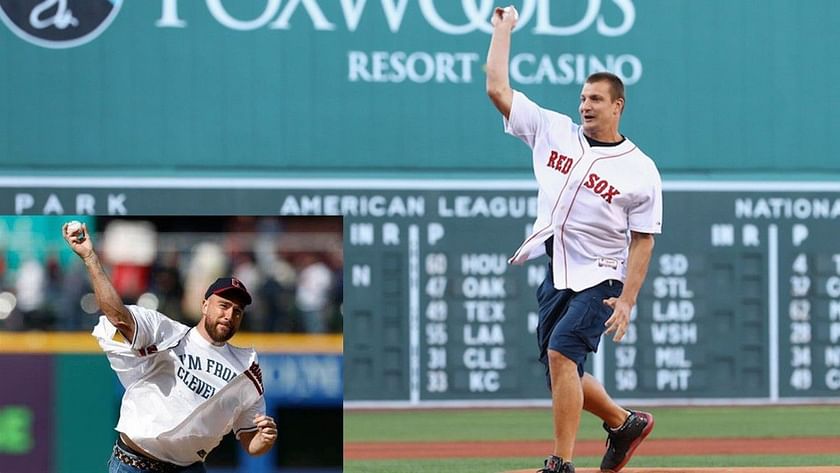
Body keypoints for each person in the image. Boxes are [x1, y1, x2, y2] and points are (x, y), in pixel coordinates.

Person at [487, 6, 661, 473]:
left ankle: (560, 463)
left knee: (563, 353)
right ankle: (624, 423)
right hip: (557, 271)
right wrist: (502, 30)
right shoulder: (554, 131)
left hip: (602, 275)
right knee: (559, 370)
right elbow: (497, 89)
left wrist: (627, 299)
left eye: (596, 99)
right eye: (583, 98)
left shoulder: (640, 170)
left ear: (617, 105)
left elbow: (643, 239)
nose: (585, 105)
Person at [63, 222, 277, 473]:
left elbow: (251, 442)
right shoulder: (168, 332)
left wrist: (263, 441)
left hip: (188, 468)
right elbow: (118, 316)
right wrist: (90, 257)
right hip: (136, 463)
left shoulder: (246, 367)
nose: (230, 314)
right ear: (205, 305)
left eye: (237, 311)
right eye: (223, 305)